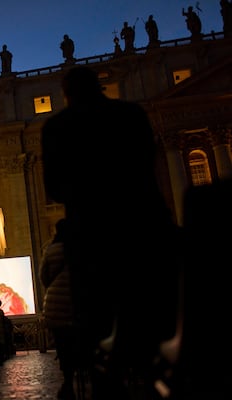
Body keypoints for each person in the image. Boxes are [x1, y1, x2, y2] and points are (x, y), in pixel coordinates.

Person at [41, 66, 180, 399]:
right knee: (145, 312)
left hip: (90, 235)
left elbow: (55, 189)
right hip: (141, 229)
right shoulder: (130, 114)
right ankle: (153, 383)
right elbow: (149, 162)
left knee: (97, 322)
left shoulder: (57, 126)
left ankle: (107, 387)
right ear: (100, 88)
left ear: (66, 94)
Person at [40, 219, 77, 400]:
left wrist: (54, 288)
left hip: (56, 303)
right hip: (77, 301)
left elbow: (44, 276)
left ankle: (68, 379)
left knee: (63, 343)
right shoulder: (80, 247)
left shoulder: (51, 249)